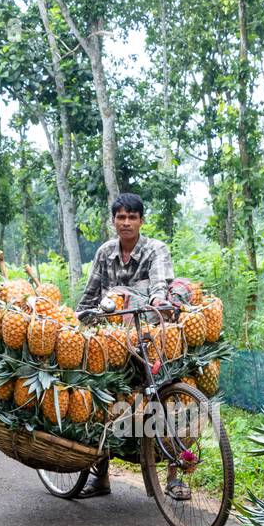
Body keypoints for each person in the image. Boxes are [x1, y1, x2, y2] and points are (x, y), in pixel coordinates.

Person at [74, 193, 178, 500]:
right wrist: (75, 318)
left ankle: (173, 476)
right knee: (102, 396)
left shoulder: (155, 249)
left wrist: (158, 299)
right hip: (112, 338)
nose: (126, 222)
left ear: (141, 221)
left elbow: (160, 284)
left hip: (149, 334)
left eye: (132, 217)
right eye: (121, 217)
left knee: (168, 397)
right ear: (113, 221)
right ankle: (101, 476)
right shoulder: (105, 252)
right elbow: (91, 294)